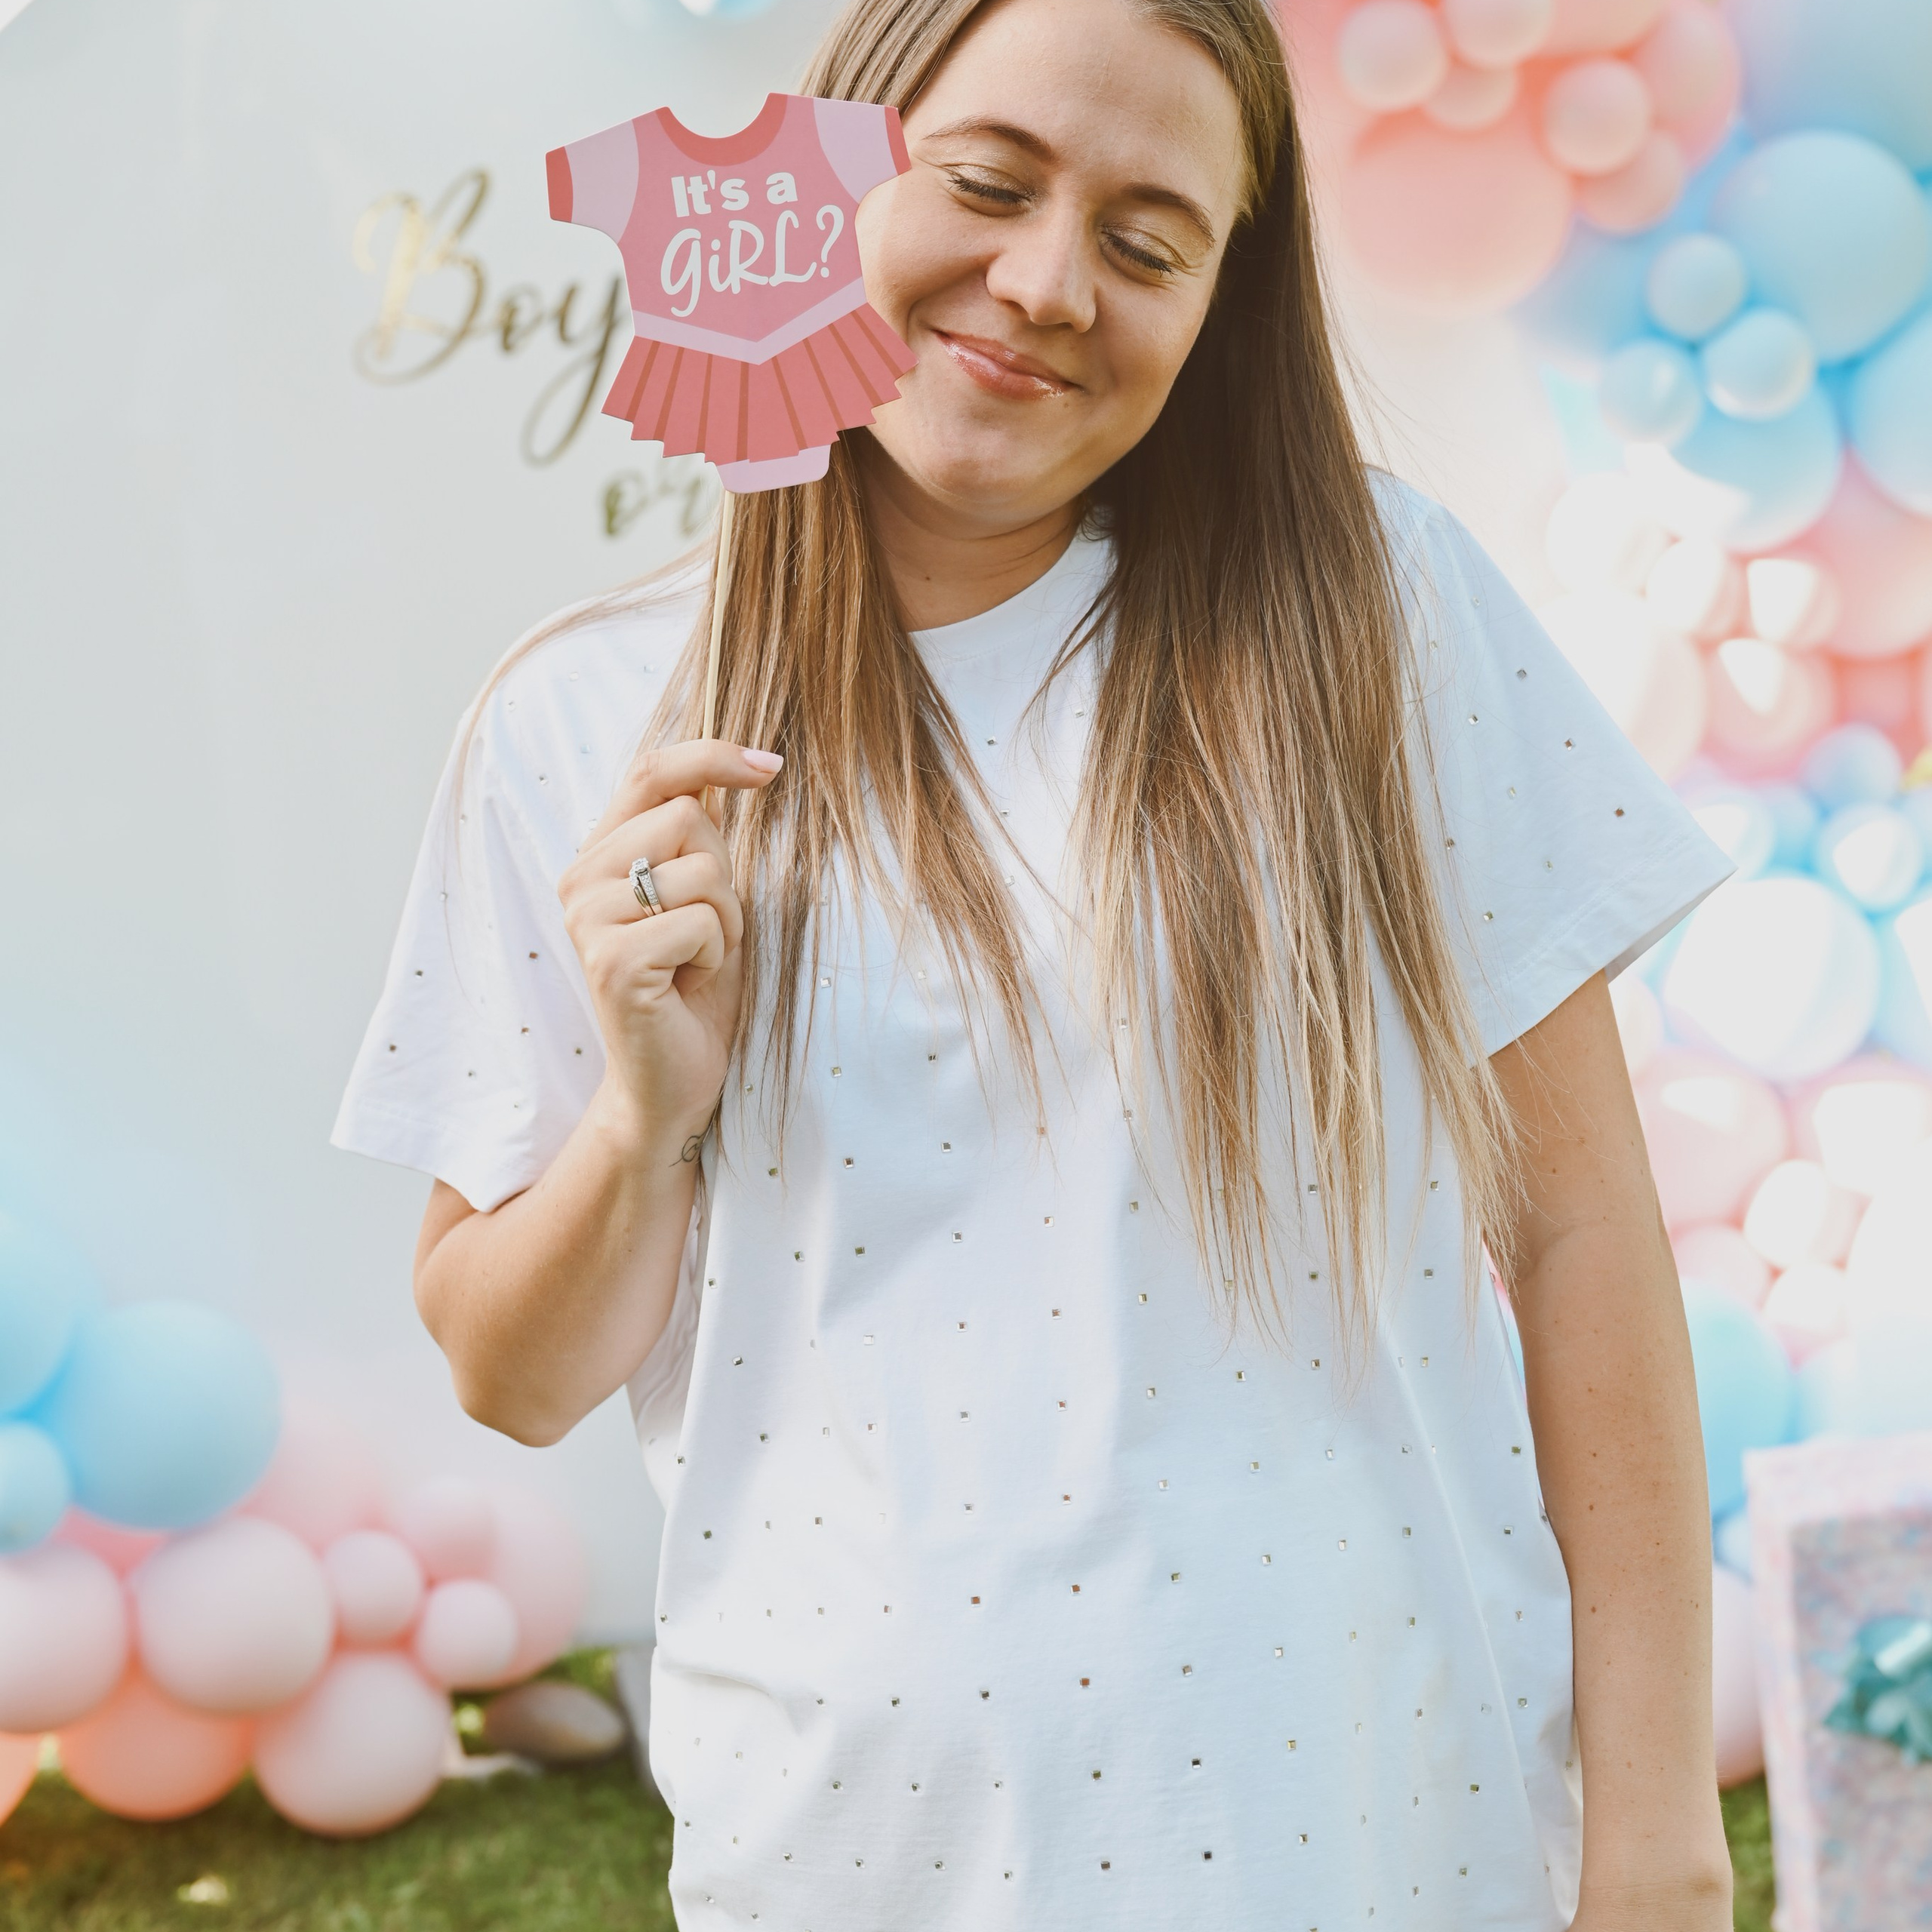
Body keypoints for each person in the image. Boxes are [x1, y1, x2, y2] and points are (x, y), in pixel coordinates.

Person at [334, 0, 1736, 1924]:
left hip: (1378, 1827)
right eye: (983, 184)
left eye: (1147, 243)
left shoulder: (1381, 623)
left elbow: (1577, 1235)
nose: (1044, 282)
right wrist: (646, 1116)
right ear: (836, 167)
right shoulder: (578, 723)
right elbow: (511, 1367)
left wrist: (1653, 1851)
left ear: (1216, 307)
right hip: (846, 1857)